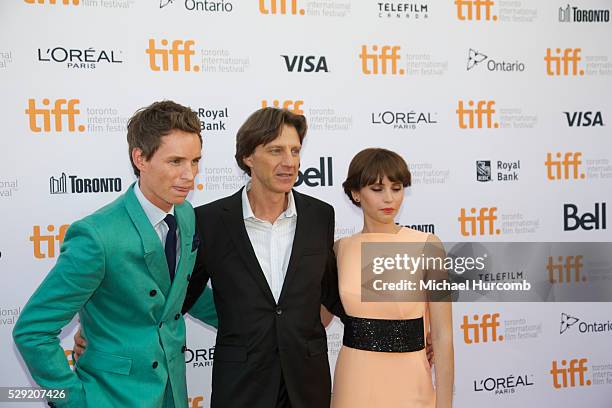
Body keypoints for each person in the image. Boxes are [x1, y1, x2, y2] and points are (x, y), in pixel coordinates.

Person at [13, 101, 217, 408]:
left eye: (195, 161)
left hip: (173, 392)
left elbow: (180, 291)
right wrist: (76, 402)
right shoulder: (97, 236)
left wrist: (260, 321)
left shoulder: (186, 215)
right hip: (113, 396)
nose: (189, 175)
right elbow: (32, 330)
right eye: (175, 161)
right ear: (140, 158)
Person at [181, 107, 344, 408]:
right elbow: (180, 297)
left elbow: (335, 294)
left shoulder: (320, 215)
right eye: (275, 150)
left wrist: (404, 335)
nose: (289, 162)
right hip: (242, 384)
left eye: (295, 151)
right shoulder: (209, 221)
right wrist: (106, 332)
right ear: (248, 157)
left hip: (307, 382)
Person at [331, 148, 454, 408]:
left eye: (396, 188)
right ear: (355, 193)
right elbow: (316, 320)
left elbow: (443, 335)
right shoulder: (340, 249)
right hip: (354, 381)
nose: (389, 198)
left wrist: (444, 403)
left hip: (410, 384)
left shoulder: (427, 245)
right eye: (377, 189)